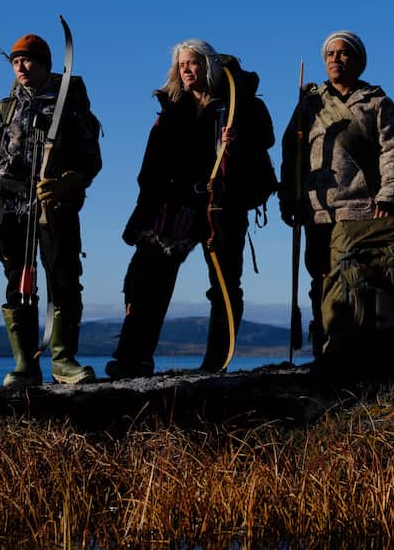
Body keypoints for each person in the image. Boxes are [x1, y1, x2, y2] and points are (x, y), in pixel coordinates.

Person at [107, 40, 275, 378]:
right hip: (174, 207)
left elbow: (265, 140)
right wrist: (146, 208)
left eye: (193, 62)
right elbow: (151, 165)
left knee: (225, 284)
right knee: (148, 278)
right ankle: (133, 359)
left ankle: (217, 361)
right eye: (181, 64)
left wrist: (237, 140)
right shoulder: (172, 109)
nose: (186, 69)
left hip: (223, 205)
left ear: (208, 66)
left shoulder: (240, 105)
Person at [279, 30, 394, 369]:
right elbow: (291, 152)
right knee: (320, 281)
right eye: (330, 54)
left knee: (365, 281)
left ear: (359, 61)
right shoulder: (308, 105)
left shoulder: (377, 103)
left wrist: (389, 194)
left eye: (344, 53)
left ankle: (370, 354)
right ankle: (325, 354)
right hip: (317, 210)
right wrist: (288, 197)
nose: (336, 58)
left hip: (364, 207)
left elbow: (393, 152)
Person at [0, 32, 102, 386]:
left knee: (64, 279)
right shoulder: (3, 110)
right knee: (19, 283)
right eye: (15, 62)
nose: (21, 67)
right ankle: (25, 364)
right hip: (10, 210)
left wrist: (69, 181)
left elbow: (91, 158)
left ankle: (62, 360)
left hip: (54, 207)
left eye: (28, 60)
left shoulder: (68, 105)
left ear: (45, 65)